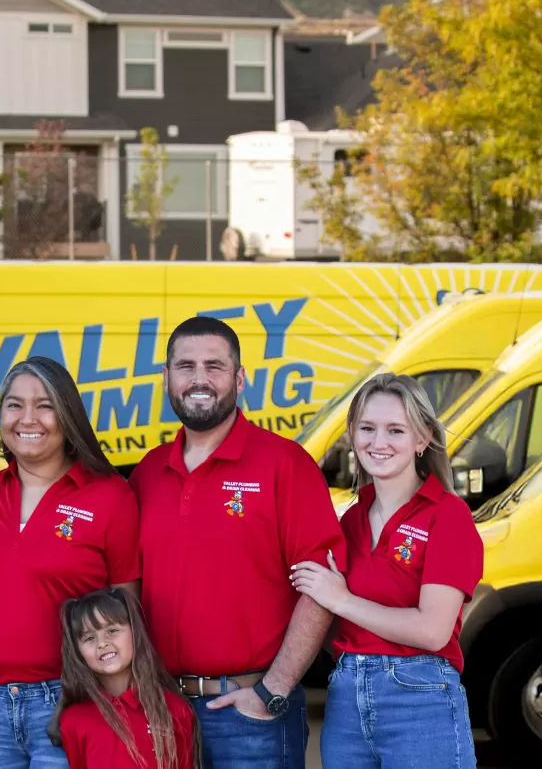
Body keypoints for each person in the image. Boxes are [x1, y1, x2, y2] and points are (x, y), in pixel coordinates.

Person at [130, 316, 345, 769]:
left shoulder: (284, 464)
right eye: (185, 366)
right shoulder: (148, 474)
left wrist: (274, 690)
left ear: (240, 378)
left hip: (251, 714)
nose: (199, 379)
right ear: (166, 378)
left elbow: (323, 586)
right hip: (163, 709)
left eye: (215, 366)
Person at [0, 357, 141, 769]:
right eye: (14, 405)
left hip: (73, 702)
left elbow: (129, 617)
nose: (27, 418)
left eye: (45, 405)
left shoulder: (110, 497)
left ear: (67, 414)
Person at [289, 373, 481, 769]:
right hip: (345, 697)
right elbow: (331, 626)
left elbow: (432, 631)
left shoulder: (448, 516)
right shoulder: (350, 520)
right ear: (351, 434)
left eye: (396, 430)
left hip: (420, 697)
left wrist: (342, 600)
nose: (378, 443)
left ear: (422, 438)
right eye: (367, 429)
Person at [52, 587, 197, 769]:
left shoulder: (174, 709)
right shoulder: (74, 720)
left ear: (134, 632)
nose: (102, 643)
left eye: (112, 630)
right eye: (89, 638)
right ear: (78, 652)